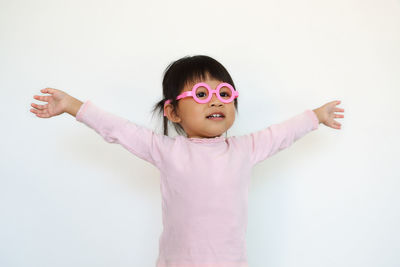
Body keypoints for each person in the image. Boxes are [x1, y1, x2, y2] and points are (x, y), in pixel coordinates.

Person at [30, 55, 344, 267]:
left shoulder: (246, 148)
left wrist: (316, 116)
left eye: (223, 93)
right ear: (173, 112)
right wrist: (72, 105)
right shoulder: (166, 150)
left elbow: (282, 133)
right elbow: (118, 130)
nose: (216, 101)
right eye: (201, 95)